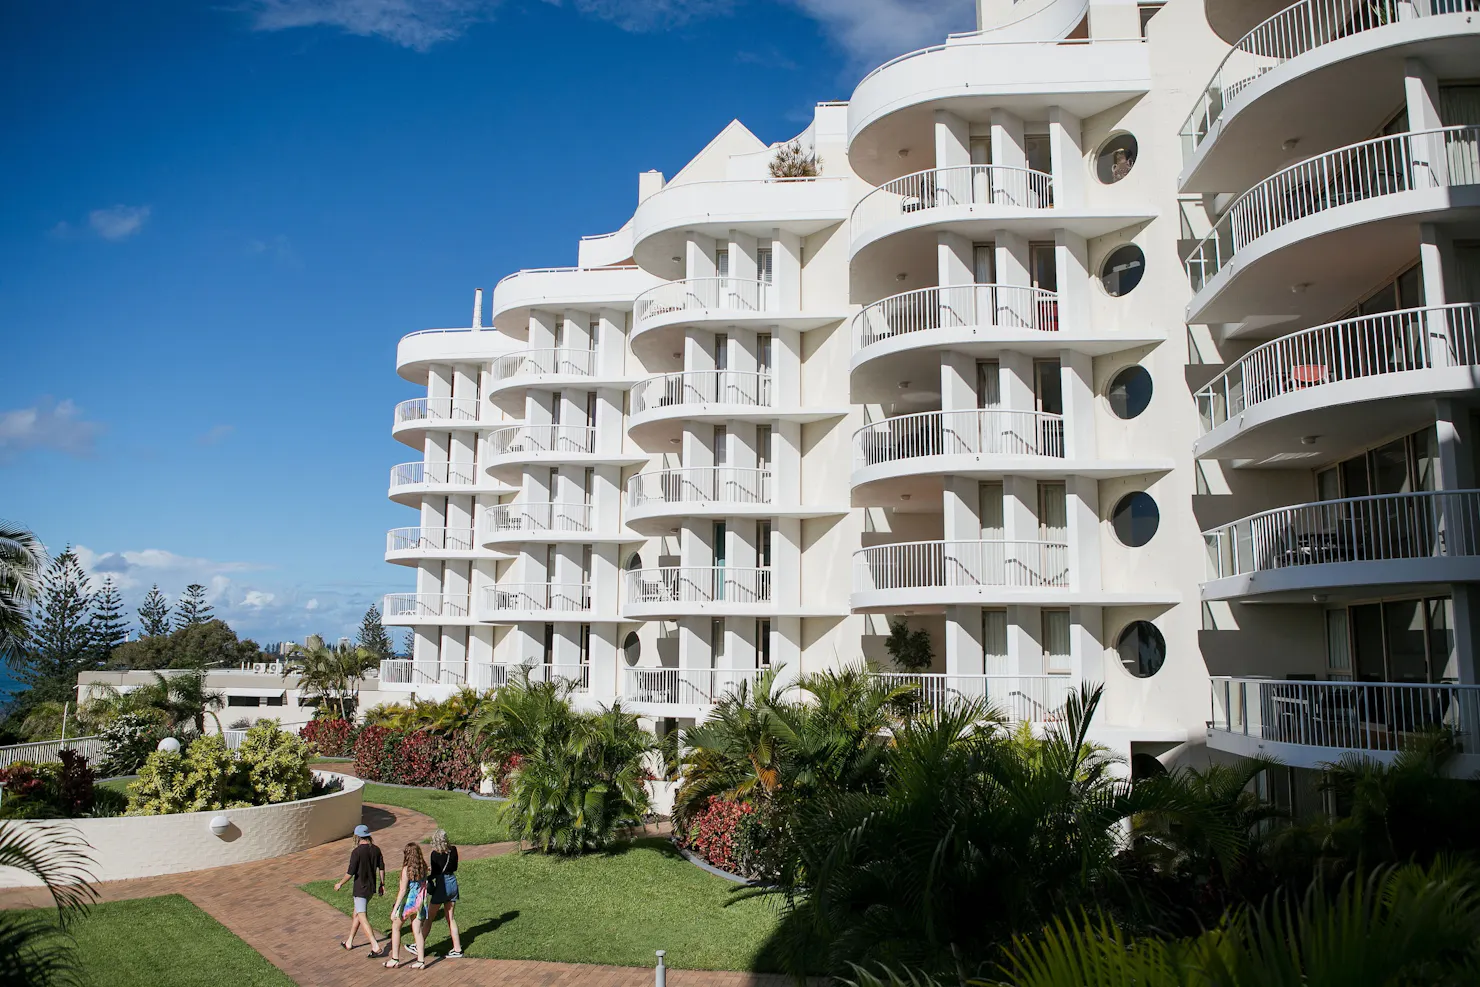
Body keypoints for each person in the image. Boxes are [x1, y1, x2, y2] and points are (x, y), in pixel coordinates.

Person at [332, 824, 385, 956]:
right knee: (356, 914)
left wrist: (340, 883)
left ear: (357, 837)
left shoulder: (356, 852)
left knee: (362, 916)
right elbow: (382, 868)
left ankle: (375, 946)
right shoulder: (376, 850)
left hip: (360, 889)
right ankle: (349, 942)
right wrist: (382, 884)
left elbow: (350, 873)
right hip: (370, 888)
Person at [382, 842, 430, 970]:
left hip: (408, 903)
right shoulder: (423, 867)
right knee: (418, 931)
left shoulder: (406, 870)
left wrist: (395, 909)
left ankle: (395, 958)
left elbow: (403, 891)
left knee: (396, 928)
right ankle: (421, 960)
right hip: (420, 903)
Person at [422, 829, 463, 959]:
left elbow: (434, 873)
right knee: (450, 918)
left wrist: (429, 872)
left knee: (429, 917)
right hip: (452, 882)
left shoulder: (434, 854)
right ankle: (457, 948)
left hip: (442, 885)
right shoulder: (454, 850)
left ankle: (419, 944)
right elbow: (454, 867)